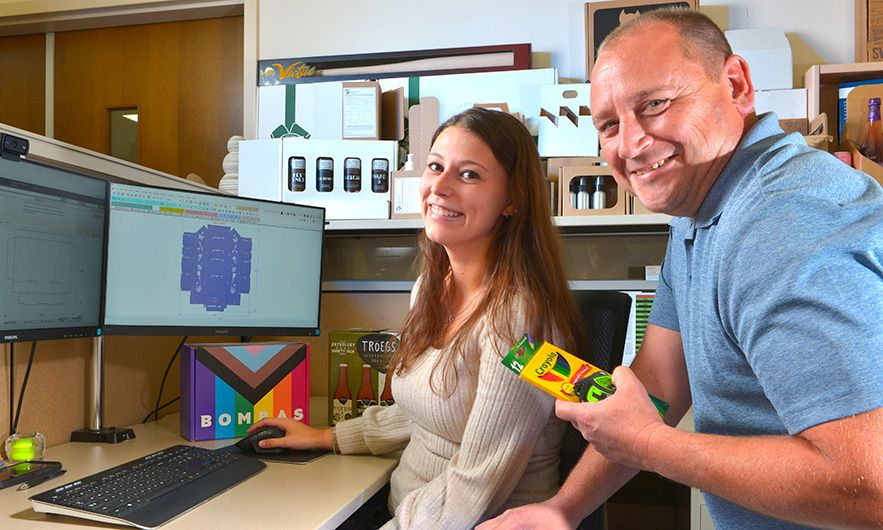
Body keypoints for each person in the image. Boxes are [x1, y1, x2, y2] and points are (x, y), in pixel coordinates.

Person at [480, 8, 883, 530]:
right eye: (608, 125)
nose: (630, 145)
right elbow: (658, 386)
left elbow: (869, 482)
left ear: (736, 85)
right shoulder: (699, 206)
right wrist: (563, 508)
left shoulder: (781, 222)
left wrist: (651, 445)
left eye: (654, 104)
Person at [249, 107, 589, 528]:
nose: (440, 187)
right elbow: (424, 411)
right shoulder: (431, 286)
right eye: (435, 167)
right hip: (412, 512)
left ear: (512, 199)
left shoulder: (519, 317)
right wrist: (329, 437)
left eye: (469, 175)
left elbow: (476, 485)